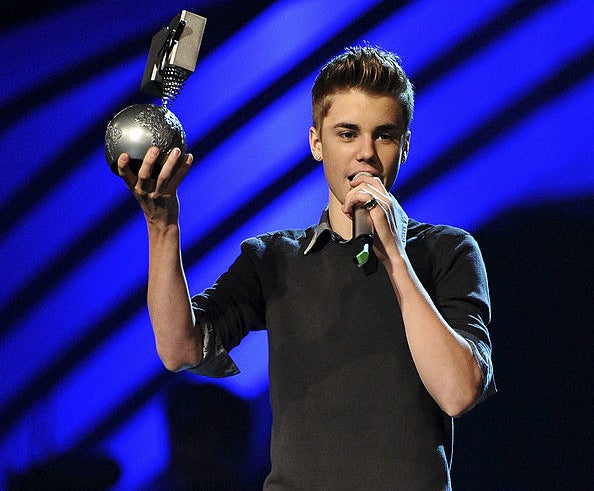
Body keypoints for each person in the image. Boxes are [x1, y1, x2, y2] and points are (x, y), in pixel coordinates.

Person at [117, 45, 495, 490]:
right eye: (347, 133)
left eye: (385, 135)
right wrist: (162, 228)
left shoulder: (446, 252)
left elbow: (459, 392)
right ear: (317, 142)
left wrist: (394, 254)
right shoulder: (275, 258)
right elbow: (179, 349)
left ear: (405, 146)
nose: (366, 153)